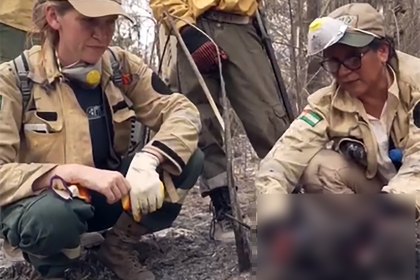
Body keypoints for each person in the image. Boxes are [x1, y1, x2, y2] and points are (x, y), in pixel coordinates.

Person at [0, 0, 204, 279]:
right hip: (47, 206)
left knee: (187, 158)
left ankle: (117, 247)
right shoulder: (14, 79)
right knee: (53, 217)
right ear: (54, 17)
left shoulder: (120, 66)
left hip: (106, 196)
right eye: (89, 21)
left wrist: (150, 158)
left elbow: (182, 111)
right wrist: (72, 173)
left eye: (110, 22)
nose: (103, 34)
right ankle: (53, 267)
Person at [255, 3, 420, 217]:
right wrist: (273, 215)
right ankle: (369, 239)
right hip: (383, 195)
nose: (342, 72)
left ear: (382, 51)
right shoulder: (327, 103)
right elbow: (281, 159)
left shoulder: (415, 84)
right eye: (333, 62)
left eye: (353, 59)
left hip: (407, 192)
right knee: (319, 168)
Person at [149, 0, 292, 242]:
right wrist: (186, 30)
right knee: (201, 123)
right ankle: (224, 205)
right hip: (188, 25)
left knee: (267, 116)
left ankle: (291, 197)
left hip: (239, 23)